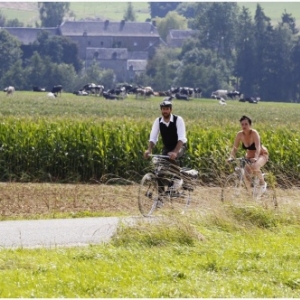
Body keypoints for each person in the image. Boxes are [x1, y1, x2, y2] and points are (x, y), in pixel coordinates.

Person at [143, 100, 187, 200]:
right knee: (159, 172)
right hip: (167, 147)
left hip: (180, 146)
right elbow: (153, 138)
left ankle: (177, 179)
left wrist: (175, 152)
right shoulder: (158, 121)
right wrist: (149, 150)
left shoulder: (178, 120)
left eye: (167, 109)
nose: (165, 111)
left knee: (171, 157)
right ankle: (161, 198)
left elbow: (181, 138)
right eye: (163, 109)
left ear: (171, 110)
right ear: (161, 110)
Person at [228, 115, 269, 194]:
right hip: (249, 156)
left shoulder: (254, 133)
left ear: (250, 125)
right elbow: (235, 148)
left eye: (246, 124)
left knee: (255, 166)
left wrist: (256, 158)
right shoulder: (239, 134)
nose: (244, 126)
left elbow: (257, 147)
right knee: (246, 175)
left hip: (261, 154)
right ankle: (250, 194)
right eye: (242, 124)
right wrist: (231, 157)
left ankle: (263, 184)